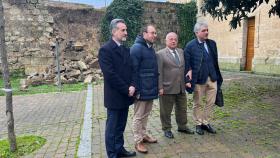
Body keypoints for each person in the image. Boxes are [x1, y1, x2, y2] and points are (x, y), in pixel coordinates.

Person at [98, 19, 136, 158]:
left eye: (126, 30)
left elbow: (132, 69)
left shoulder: (126, 49)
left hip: (126, 94)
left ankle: (120, 149)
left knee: (121, 126)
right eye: (123, 30)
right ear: (114, 31)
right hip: (115, 96)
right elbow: (110, 75)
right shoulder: (105, 50)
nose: (126, 32)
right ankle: (112, 154)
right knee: (112, 128)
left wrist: (133, 85)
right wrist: (127, 88)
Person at [184, 21, 223, 135]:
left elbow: (214, 61)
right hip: (199, 79)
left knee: (210, 102)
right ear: (196, 33)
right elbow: (187, 64)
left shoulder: (212, 43)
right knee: (198, 103)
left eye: (207, 30)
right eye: (203, 31)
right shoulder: (190, 46)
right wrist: (188, 80)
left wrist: (217, 76)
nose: (206, 32)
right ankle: (198, 123)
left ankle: (206, 122)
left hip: (212, 78)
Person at [156, 32, 194, 139]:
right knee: (166, 110)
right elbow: (158, 72)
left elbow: (185, 67)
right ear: (166, 41)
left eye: (175, 39)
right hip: (167, 87)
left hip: (181, 86)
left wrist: (188, 75)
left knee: (182, 108)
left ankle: (182, 126)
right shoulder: (160, 54)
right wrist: (160, 87)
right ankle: (166, 129)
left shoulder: (181, 52)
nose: (173, 41)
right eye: (171, 39)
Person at [130, 25, 158, 154]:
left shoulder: (150, 48)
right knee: (138, 116)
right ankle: (138, 141)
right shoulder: (136, 48)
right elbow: (133, 71)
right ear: (144, 33)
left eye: (155, 33)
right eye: (152, 33)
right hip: (141, 90)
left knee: (146, 115)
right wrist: (136, 90)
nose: (154, 35)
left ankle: (143, 135)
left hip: (151, 89)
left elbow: (153, 71)